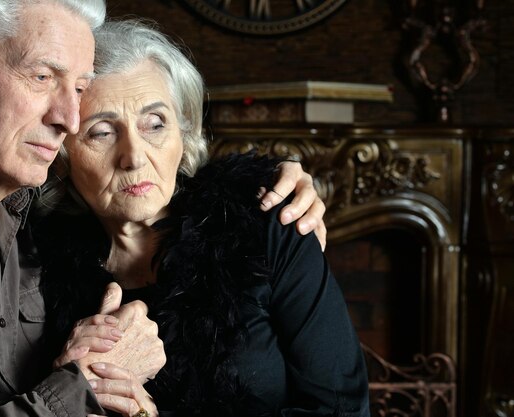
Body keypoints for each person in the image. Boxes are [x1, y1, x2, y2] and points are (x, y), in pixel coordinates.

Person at [0, 0, 326, 415]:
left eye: (78, 88)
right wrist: (87, 386)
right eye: (42, 77)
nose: (69, 118)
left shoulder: (23, 214)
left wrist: (274, 179)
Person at [35, 19, 370, 417]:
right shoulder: (32, 269)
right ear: (62, 154)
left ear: (185, 134)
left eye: (155, 124)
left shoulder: (267, 223)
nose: (135, 157)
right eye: (102, 132)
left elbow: (342, 409)